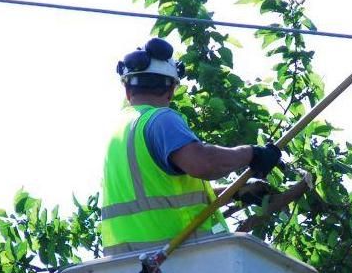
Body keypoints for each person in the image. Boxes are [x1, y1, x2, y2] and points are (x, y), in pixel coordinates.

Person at [100, 38, 282, 256]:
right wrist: (253, 153)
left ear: (128, 90)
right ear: (170, 90)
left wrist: (233, 192)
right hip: (179, 259)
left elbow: (157, 198)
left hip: (130, 265)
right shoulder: (160, 119)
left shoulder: (119, 133)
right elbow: (204, 163)